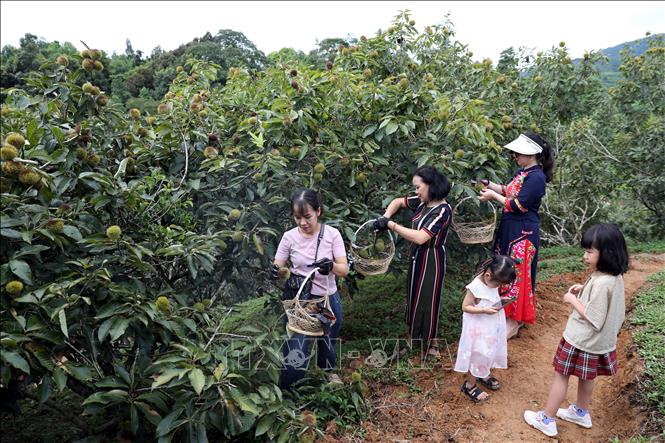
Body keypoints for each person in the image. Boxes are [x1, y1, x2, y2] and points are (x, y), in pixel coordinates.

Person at [524, 223, 629, 437]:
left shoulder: (601, 284)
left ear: (607, 253)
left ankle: (546, 418)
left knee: (561, 376)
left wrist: (573, 299)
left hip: (582, 339)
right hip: (598, 343)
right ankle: (581, 412)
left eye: (590, 251)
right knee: (587, 376)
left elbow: (594, 318)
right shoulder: (612, 277)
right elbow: (605, 304)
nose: (585, 255)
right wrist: (584, 290)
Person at [478, 131, 555, 338]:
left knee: (518, 274)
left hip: (523, 231)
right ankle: (503, 313)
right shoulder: (523, 173)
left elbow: (518, 205)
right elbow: (508, 190)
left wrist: (493, 196)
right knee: (504, 267)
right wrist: (489, 184)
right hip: (511, 229)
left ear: (531, 155)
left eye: (518, 153)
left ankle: (514, 318)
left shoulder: (537, 177)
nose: (515, 157)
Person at [272, 188, 349, 388]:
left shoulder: (332, 234)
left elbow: (344, 269)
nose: (303, 223)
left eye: (307, 216)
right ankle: (289, 387)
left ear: (318, 211)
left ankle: (328, 372)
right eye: (298, 217)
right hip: (303, 301)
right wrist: (276, 271)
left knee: (328, 338)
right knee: (297, 344)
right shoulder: (289, 237)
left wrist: (331, 266)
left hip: (328, 298)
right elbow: (279, 264)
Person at [374, 166, 452, 359]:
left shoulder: (443, 210)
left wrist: (390, 225)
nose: (416, 192)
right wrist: (385, 216)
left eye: (418, 187)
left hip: (432, 258)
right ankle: (412, 339)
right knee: (414, 296)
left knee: (429, 299)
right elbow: (397, 201)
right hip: (417, 257)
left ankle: (432, 341)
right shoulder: (422, 201)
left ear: (431, 185)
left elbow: (420, 237)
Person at [456, 255, 516, 402]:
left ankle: (483, 373)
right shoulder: (475, 286)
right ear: (488, 275)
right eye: (498, 284)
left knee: (489, 351)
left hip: (490, 326)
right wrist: (483, 310)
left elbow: (491, 295)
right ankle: (469, 385)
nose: (498, 287)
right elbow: (465, 307)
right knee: (479, 354)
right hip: (478, 329)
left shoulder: (492, 281)